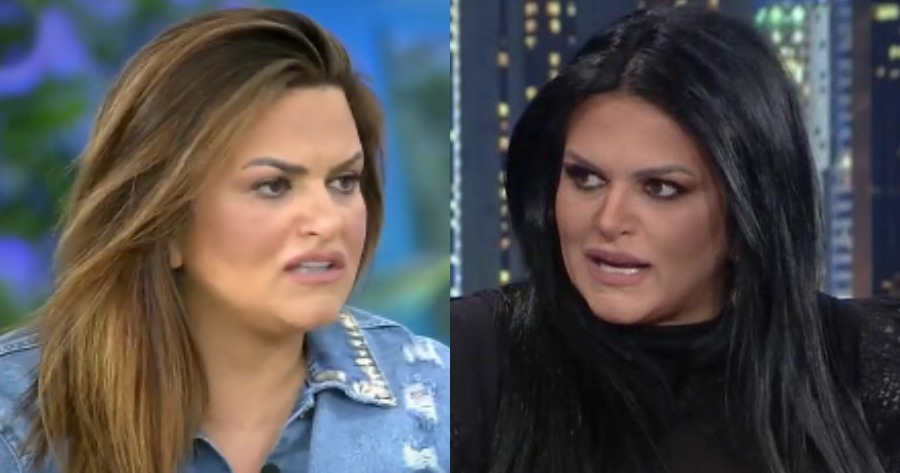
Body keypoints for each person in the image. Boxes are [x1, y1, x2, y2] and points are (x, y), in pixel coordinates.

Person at [451, 7, 900, 473]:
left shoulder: (865, 369)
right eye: (585, 178)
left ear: (748, 212)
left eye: (661, 189)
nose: (609, 220)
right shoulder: (466, 361)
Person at [0, 8, 448, 473]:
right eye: (273, 186)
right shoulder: (17, 418)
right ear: (164, 220)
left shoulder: (440, 401)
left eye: (343, 181)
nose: (329, 221)